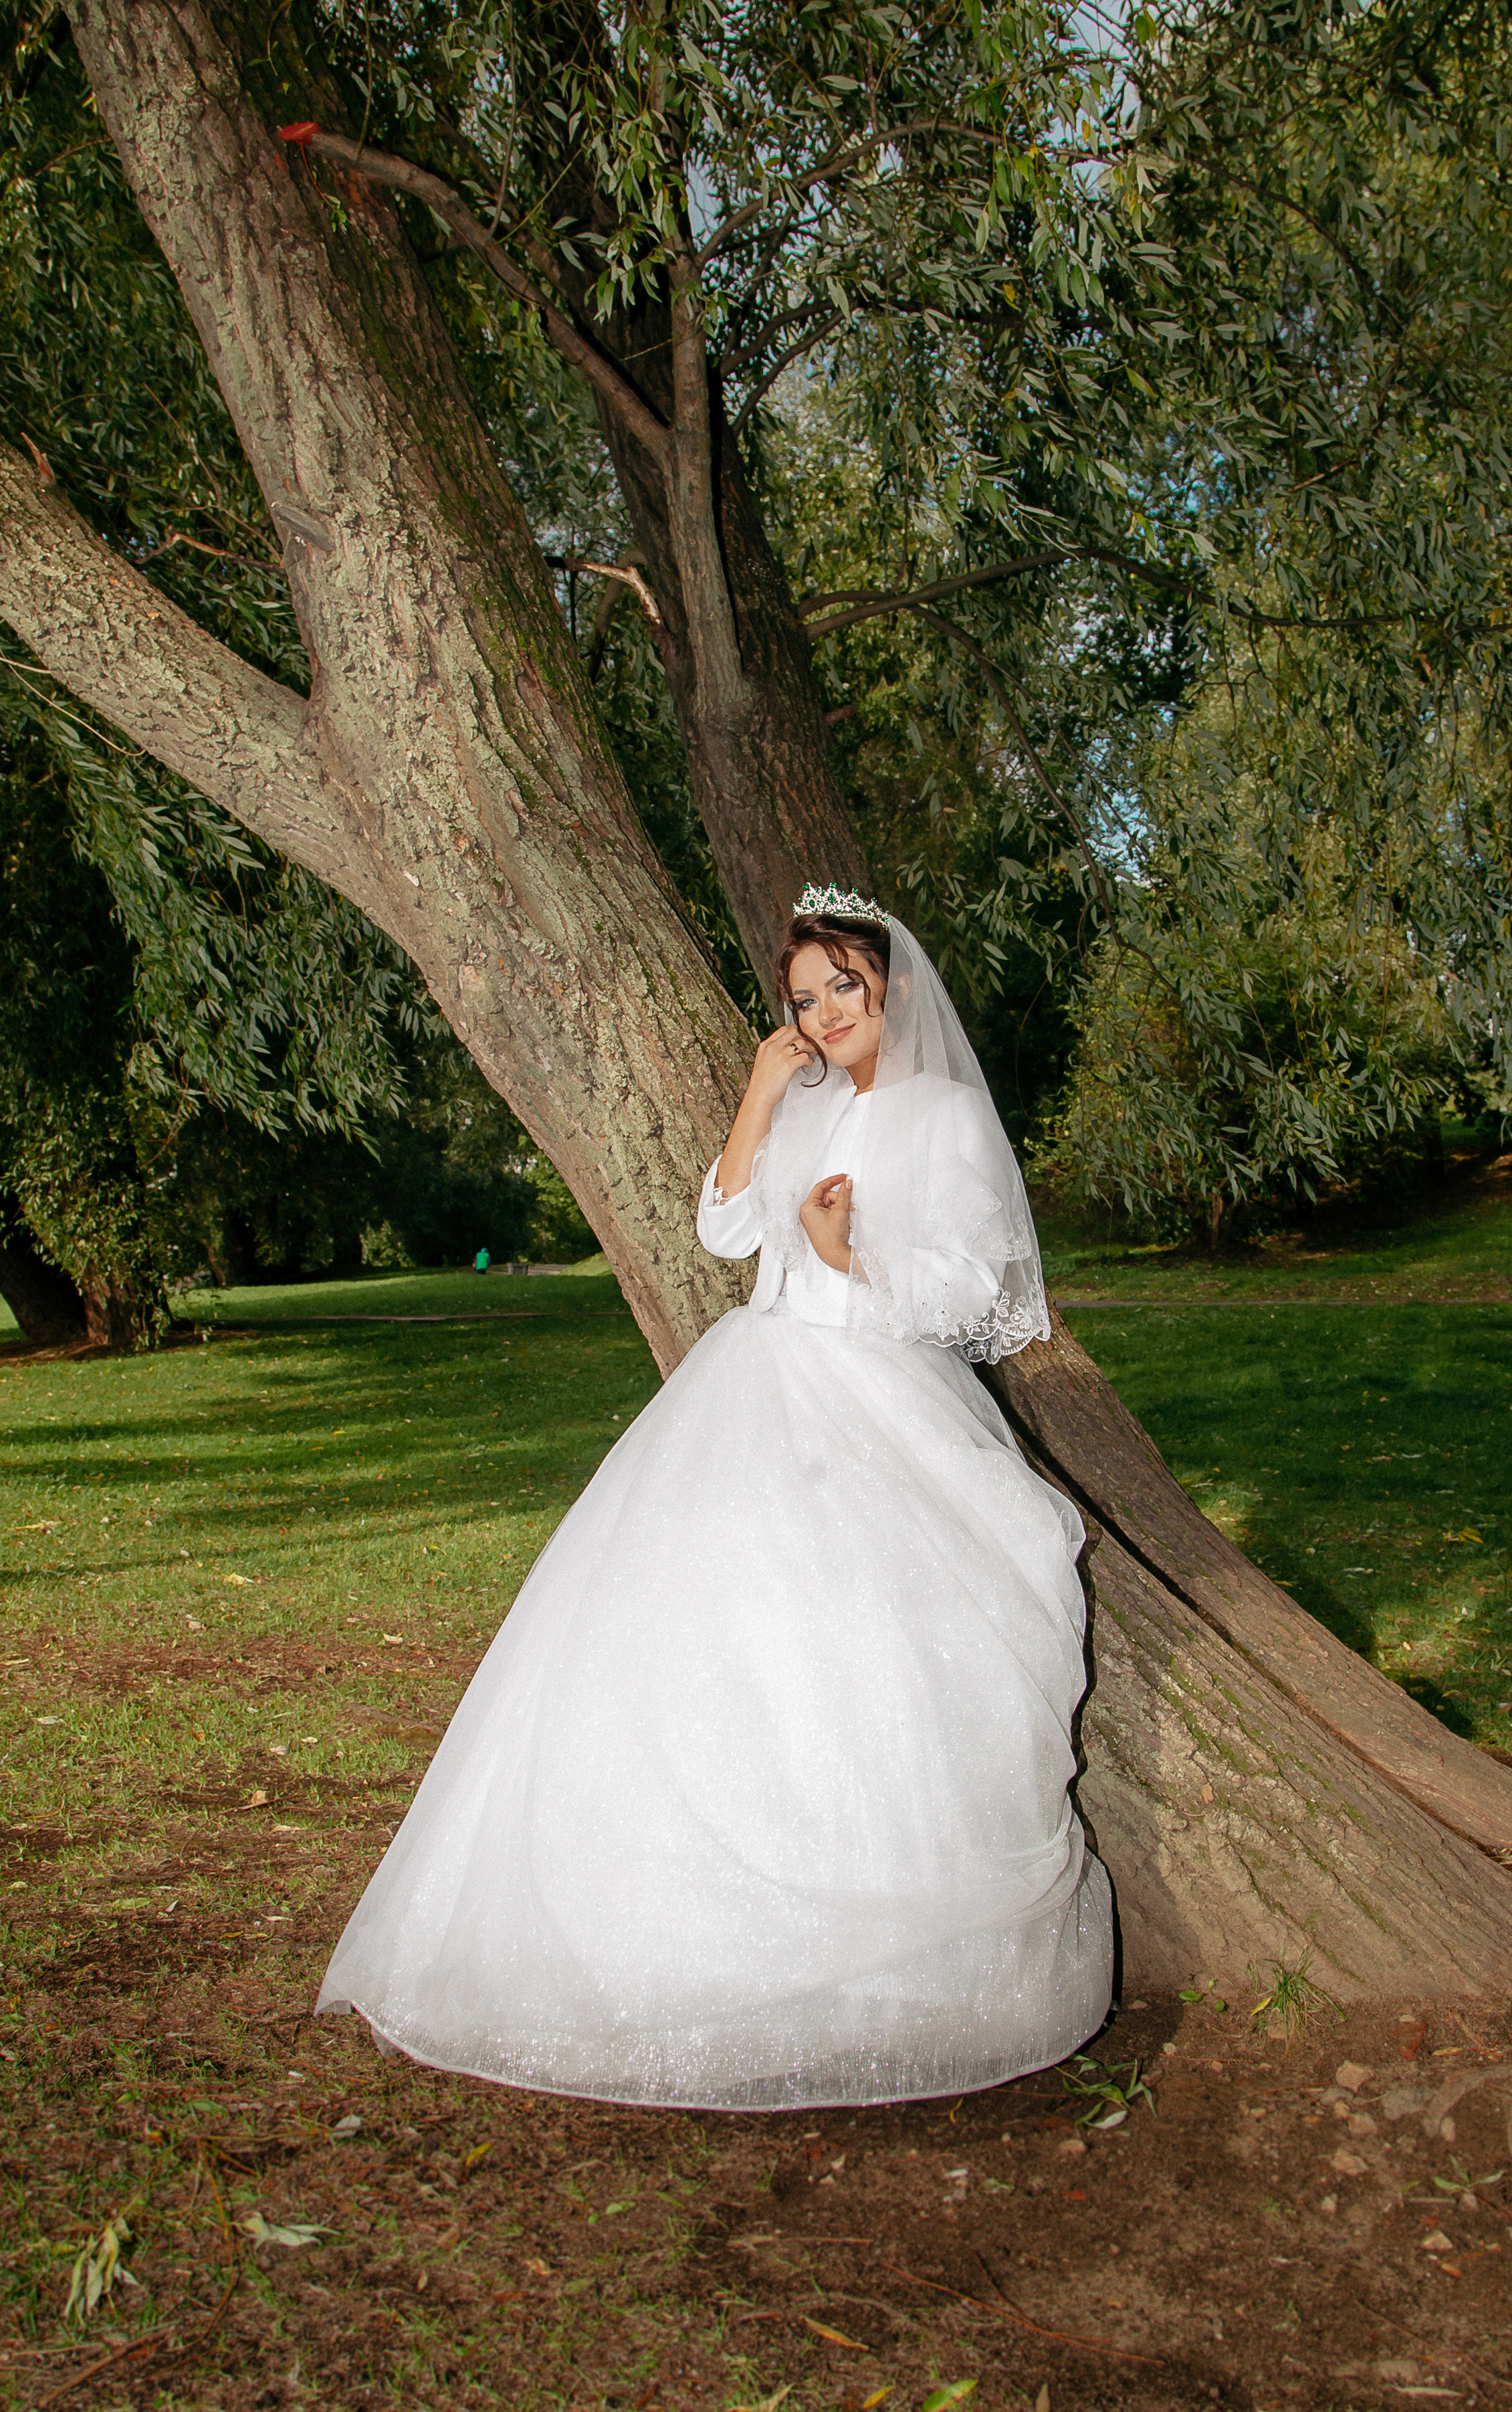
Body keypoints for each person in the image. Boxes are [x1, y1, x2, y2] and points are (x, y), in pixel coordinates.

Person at [316, 888, 1113, 2109]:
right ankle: (669, 1941)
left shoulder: (949, 1120)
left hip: (878, 1394)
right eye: (805, 998)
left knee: (862, 1657)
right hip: (757, 1381)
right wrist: (756, 1088)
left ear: (893, 984)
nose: (828, 1012)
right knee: (695, 1635)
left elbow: (969, 1297)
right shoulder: (800, 1098)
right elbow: (726, 1226)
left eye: (845, 985)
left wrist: (855, 1256)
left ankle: (885, 1968)